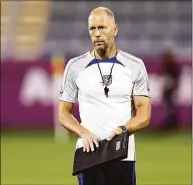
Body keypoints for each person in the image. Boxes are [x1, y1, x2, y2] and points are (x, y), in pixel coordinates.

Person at [58, 7, 151, 185]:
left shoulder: (135, 66)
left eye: (102, 28)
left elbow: (144, 115)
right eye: (92, 29)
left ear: (115, 30)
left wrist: (123, 130)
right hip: (89, 153)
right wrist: (82, 132)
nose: (97, 34)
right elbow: (63, 113)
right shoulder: (75, 66)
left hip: (122, 154)